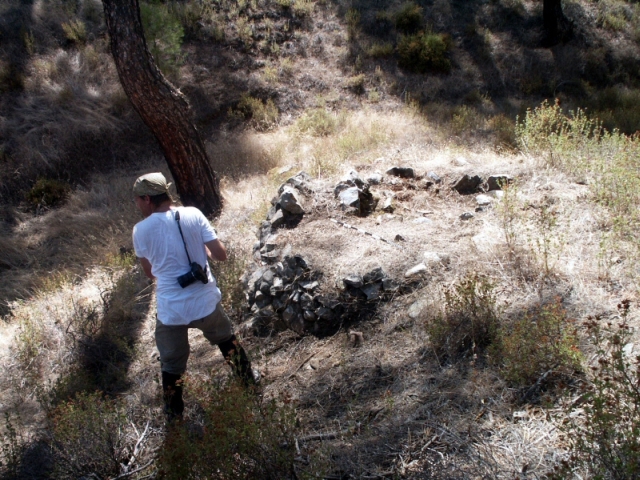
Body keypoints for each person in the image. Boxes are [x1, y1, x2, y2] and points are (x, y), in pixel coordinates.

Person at [131, 172, 258, 421]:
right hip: (205, 302)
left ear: (147, 198)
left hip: (172, 311)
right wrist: (202, 258)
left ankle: (174, 417)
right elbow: (220, 254)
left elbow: (150, 273)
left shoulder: (140, 230)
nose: (137, 204)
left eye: (137, 200)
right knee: (226, 341)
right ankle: (249, 384)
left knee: (171, 365)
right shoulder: (194, 214)